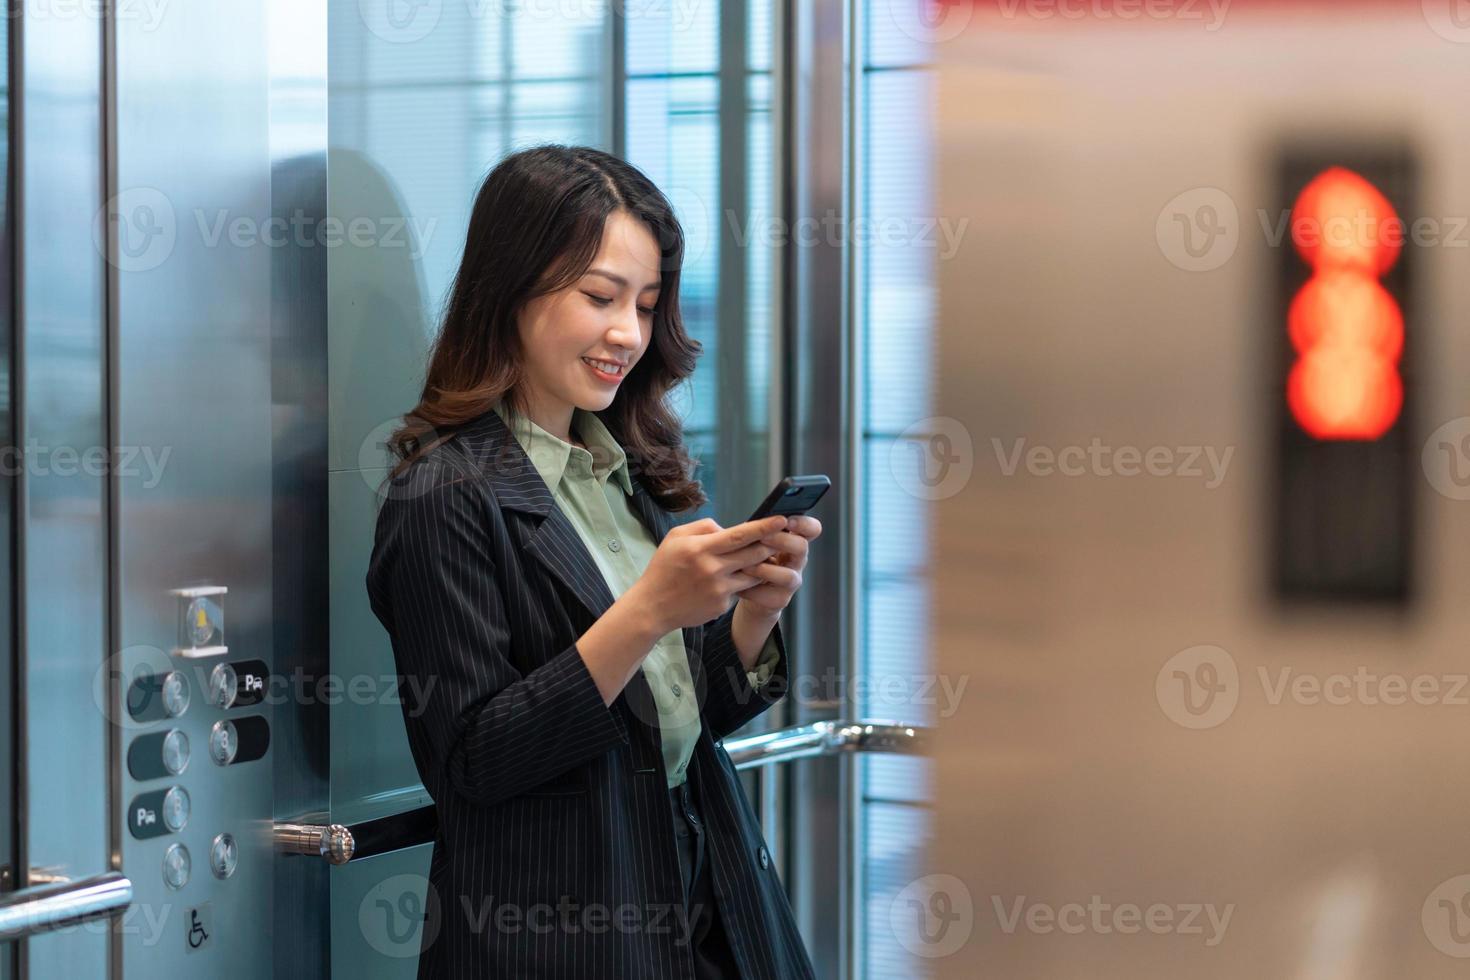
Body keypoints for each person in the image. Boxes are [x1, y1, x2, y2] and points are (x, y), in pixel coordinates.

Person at [366, 144, 821, 979]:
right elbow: (473, 762)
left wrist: (753, 613)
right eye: (600, 297)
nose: (629, 334)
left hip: (704, 902)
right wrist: (648, 610)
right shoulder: (443, 496)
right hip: (555, 940)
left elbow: (675, 724)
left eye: (646, 306)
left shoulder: (628, 467)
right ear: (511, 290)